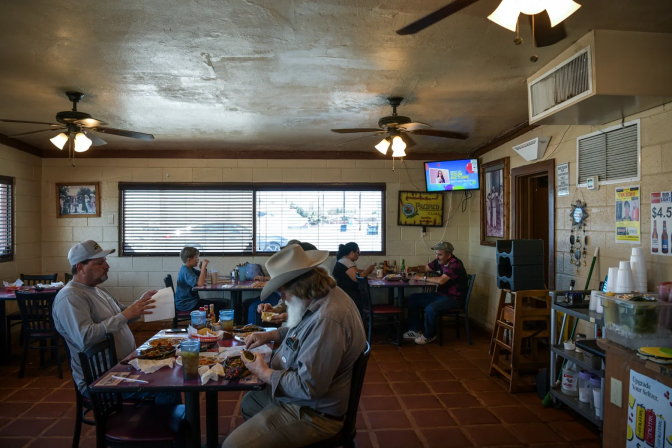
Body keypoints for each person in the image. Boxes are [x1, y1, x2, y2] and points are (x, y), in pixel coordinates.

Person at [222, 244, 367, 448]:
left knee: (232, 445)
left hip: (315, 413)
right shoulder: (323, 295)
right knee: (250, 402)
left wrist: (264, 372)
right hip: (308, 401)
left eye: (282, 291)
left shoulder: (328, 320)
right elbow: (304, 329)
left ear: (300, 286)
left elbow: (308, 387)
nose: (281, 298)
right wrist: (272, 334)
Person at [53, 240, 180, 405]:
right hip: (102, 379)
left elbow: (122, 315)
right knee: (167, 388)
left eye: (105, 261)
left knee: (172, 374)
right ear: (80, 268)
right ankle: (163, 429)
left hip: (122, 367)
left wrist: (139, 304)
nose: (107, 266)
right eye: (100, 262)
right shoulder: (70, 297)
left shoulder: (98, 290)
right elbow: (84, 338)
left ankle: (168, 427)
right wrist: (126, 315)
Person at [403, 241, 468, 345]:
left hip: (455, 298)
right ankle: (414, 330)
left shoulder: (455, 264)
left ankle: (429, 335)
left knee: (431, 308)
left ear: (448, 255)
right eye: (436, 254)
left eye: (439, 254)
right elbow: (425, 268)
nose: (437, 257)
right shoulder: (440, 261)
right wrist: (413, 268)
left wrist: (421, 277)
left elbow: (441, 280)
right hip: (441, 295)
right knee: (414, 298)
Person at [332, 242, 376, 314]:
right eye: (358, 252)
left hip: (344, 291)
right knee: (364, 298)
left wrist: (368, 271)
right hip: (346, 293)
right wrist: (369, 269)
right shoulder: (346, 261)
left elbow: (356, 271)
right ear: (352, 253)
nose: (359, 255)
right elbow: (357, 278)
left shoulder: (344, 260)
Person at [175, 246, 221, 313]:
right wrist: (203, 268)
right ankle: (215, 323)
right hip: (186, 304)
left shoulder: (190, 269)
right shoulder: (186, 271)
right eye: (196, 257)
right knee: (217, 307)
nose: (198, 260)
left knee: (220, 304)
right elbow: (200, 283)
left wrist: (202, 269)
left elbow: (201, 276)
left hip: (190, 302)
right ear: (189, 260)